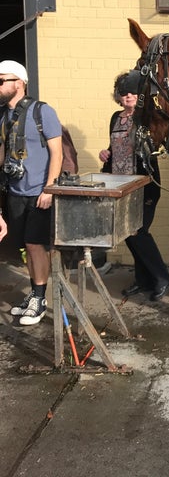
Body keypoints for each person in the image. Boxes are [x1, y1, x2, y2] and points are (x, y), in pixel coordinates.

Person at [99, 73, 169, 302]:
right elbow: (116, 148)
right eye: (124, 92)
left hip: (145, 184)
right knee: (129, 235)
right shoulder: (116, 118)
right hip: (120, 185)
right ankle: (143, 280)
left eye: (133, 90)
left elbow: (158, 141)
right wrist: (107, 153)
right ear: (118, 96)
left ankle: (162, 278)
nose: (129, 95)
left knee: (138, 231)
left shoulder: (147, 117)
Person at [0, 60, 63, 326]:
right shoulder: (3, 116)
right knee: (26, 246)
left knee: (37, 245)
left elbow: (56, 153)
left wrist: (49, 188)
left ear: (20, 82)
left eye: (2, 80)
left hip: (39, 192)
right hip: (15, 191)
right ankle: (35, 295)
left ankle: (38, 298)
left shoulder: (43, 112)